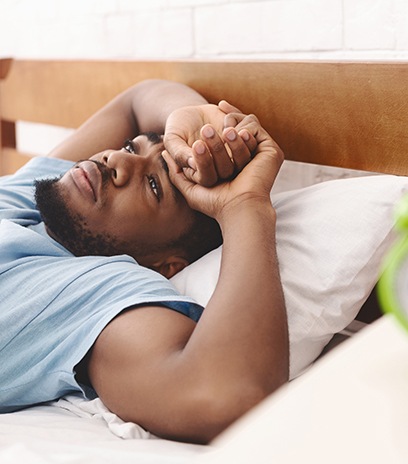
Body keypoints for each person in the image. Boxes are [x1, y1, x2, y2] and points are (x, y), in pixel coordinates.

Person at [0, 79, 288, 444]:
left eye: (153, 186)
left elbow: (223, 394)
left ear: (167, 265)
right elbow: (137, 101)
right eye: (128, 146)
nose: (116, 159)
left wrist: (244, 207)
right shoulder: (33, 198)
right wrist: (192, 118)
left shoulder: (96, 292)